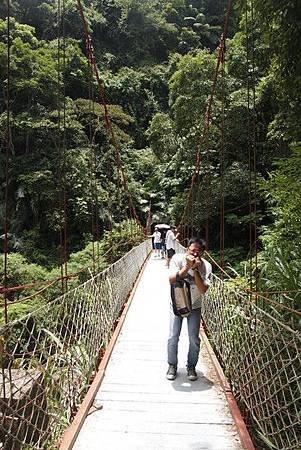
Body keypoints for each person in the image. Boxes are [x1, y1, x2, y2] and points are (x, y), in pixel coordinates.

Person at [166, 237, 212, 381]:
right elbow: (171, 279)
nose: (194, 255)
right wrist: (186, 266)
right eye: (192, 251)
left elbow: (203, 289)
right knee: (173, 336)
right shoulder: (177, 259)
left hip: (195, 305)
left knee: (194, 339)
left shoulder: (206, 266)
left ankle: (191, 367)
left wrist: (195, 269)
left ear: (202, 253)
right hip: (178, 303)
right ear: (187, 249)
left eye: (198, 252)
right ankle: (172, 365)